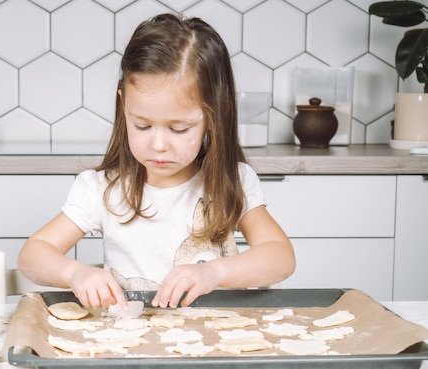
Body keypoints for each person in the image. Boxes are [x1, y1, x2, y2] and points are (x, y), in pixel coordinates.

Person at [18, 13, 295, 309]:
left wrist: (214, 272)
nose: (159, 145)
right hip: (129, 347)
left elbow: (280, 256)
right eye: (142, 125)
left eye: (179, 128)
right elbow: (33, 254)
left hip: (211, 344)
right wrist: (75, 273)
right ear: (123, 104)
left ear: (216, 115)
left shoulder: (232, 181)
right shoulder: (102, 189)